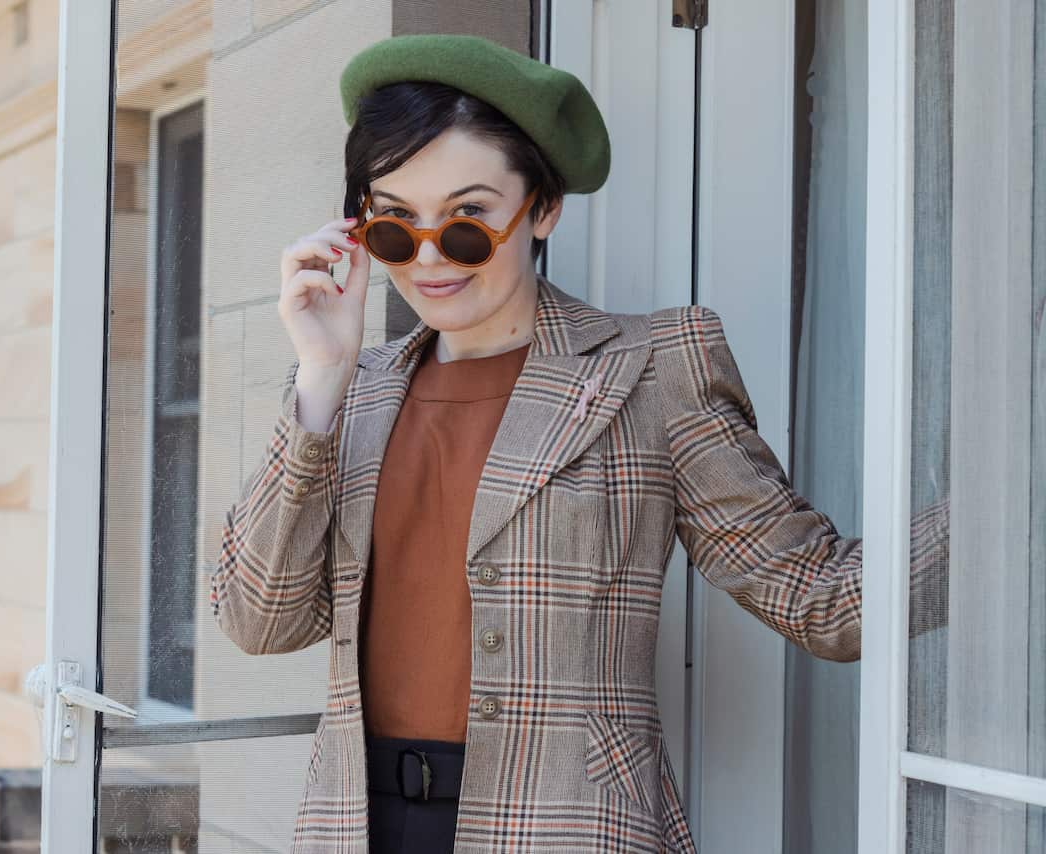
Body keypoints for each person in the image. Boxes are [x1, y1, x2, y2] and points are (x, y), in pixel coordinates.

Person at [208, 33, 950, 854]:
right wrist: (320, 375)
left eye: (467, 222)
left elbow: (823, 600)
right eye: (393, 227)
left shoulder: (654, 370)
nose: (428, 259)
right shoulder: (351, 391)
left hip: (569, 827)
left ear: (545, 208)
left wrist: (1010, 494)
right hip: (359, 826)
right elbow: (258, 621)